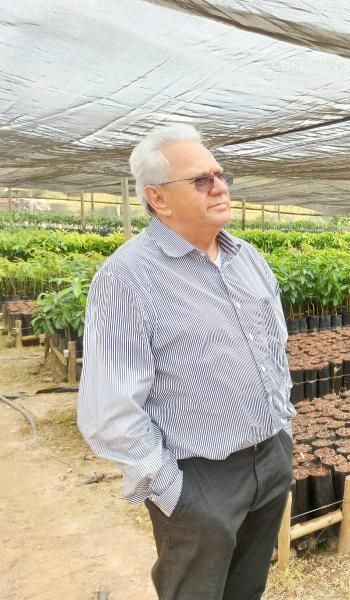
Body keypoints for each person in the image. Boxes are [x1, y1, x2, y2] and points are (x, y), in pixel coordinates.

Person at [77, 124, 294, 600]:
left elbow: (274, 352)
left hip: (269, 461)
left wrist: (282, 440)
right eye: (201, 180)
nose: (220, 187)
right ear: (157, 198)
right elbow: (109, 412)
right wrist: (176, 493)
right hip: (199, 477)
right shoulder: (127, 278)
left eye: (220, 175)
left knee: (246, 589)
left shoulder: (248, 259)